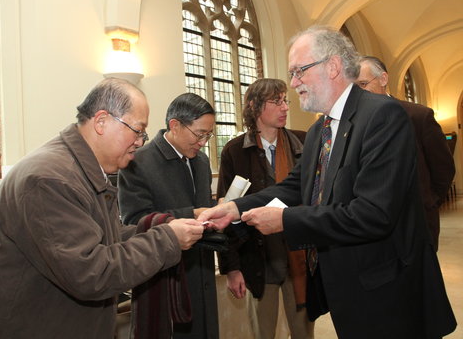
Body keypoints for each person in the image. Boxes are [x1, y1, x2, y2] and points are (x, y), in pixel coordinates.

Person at [198, 26, 457, 339]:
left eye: (299, 71)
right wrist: (234, 209)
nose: (293, 84)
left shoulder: (382, 116)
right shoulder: (322, 127)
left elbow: (372, 214)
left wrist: (284, 220)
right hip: (350, 290)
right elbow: (295, 186)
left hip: (389, 293)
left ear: (333, 66)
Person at [0, 78, 204, 339]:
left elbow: (103, 239)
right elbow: (92, 273)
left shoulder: (81, 169)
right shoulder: (50, 179)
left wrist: (161, 228)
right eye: (138, 130)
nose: (140, 142)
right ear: (101, 122)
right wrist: (167, 239)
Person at [216, 78, 314, 339]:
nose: (285, 107)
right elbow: (227, 212)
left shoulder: (303, 144)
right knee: (263, 331)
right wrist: (232, 268)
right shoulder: (235, 152)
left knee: (304, 332)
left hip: (299, 256)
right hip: (258, 259)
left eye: (285, 100)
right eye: (276, 101)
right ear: (254, 106)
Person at [118, 93, 219, 339]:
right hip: (165, 278)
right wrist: (192, 214)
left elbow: (203, 207)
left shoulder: (201, 161)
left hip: (203, 270)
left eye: (208, 134)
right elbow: (135, 221)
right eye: (199, 134)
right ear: (175, 125)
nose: (204, 142)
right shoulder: (138, 161)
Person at [357, 55, 455, 251]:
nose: (358, 93)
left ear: (383, 79)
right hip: (375, 231)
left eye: (362, 84)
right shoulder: (354, 124)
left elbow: (443, 168)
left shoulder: (418, 116)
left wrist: (429, 202)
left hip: (417, 223)